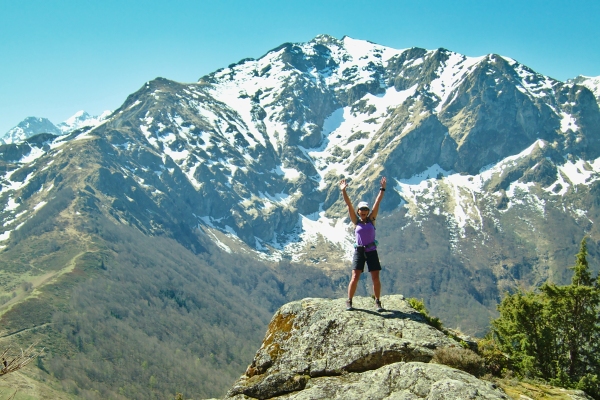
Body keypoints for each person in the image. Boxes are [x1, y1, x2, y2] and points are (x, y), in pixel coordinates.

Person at [339, 176, 387, 312]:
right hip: (359, 251)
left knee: (375, 277)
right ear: (359, 211)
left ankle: (377, 302)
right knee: (355, 276)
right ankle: (349, 301)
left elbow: (377, 203)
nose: (364, 212)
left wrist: (382, 189)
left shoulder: (372, 219)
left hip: (371, 250)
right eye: (362, 210)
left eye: (366, 209)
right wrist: (343, 191)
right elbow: (349, 205)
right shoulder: (356, 221)